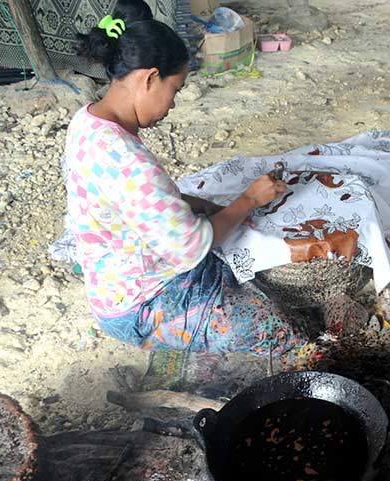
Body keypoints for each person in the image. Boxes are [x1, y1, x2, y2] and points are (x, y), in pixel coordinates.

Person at [64, 0, 301, 356]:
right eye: (175, 90)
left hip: (115, 278)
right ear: (149, 78)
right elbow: (194, 246)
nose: (173, 104)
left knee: (237, 257)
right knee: (274, 328)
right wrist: (248, 200)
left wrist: (204, 205)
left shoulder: (89, 120)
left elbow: (134, 201)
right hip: (138, 305)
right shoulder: (128, 161)